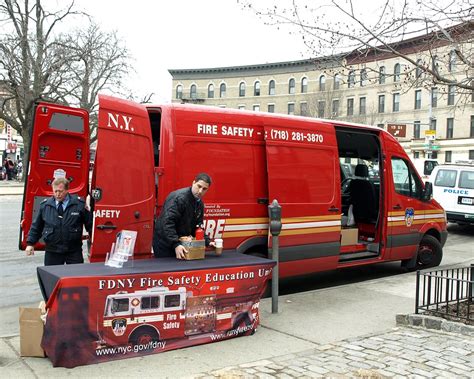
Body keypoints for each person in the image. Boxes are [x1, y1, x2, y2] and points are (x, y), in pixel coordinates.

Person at [25, 177, 92, 265]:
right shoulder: (45, 206)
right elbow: (36, 226)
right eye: (55, 191)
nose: (57, 194)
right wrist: (30, 244)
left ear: (67, 190)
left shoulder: (79, 204)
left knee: (75, 276)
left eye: (60, 191)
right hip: (52, 251)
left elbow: (90, 225)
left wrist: (94, 242)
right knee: (51, 277)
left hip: (73, 250)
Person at [153, 172, 215, 259]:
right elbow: (167, 223)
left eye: (204, 189)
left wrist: (208, 242)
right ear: (193, 183)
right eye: (199, 186)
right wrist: (175, 244)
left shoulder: (199, 203)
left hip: (181, 245)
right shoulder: (179, 198)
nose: (200, 191)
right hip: (165, 246)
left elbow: (198, 227)